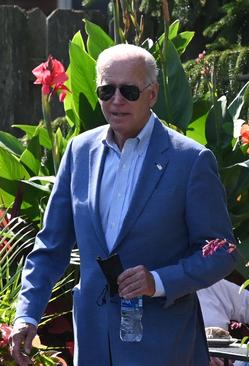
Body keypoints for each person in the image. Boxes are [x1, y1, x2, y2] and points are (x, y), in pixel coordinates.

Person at [10, 44, 236, 365]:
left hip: (164, 347)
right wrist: (27, 316)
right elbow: (50, 246)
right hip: (94, 346)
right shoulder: (79, 152)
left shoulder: (190, 160)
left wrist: (157, 282)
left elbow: (222, 251)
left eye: (129, 91)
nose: (116, 100)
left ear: (152, 94)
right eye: (106, 90)